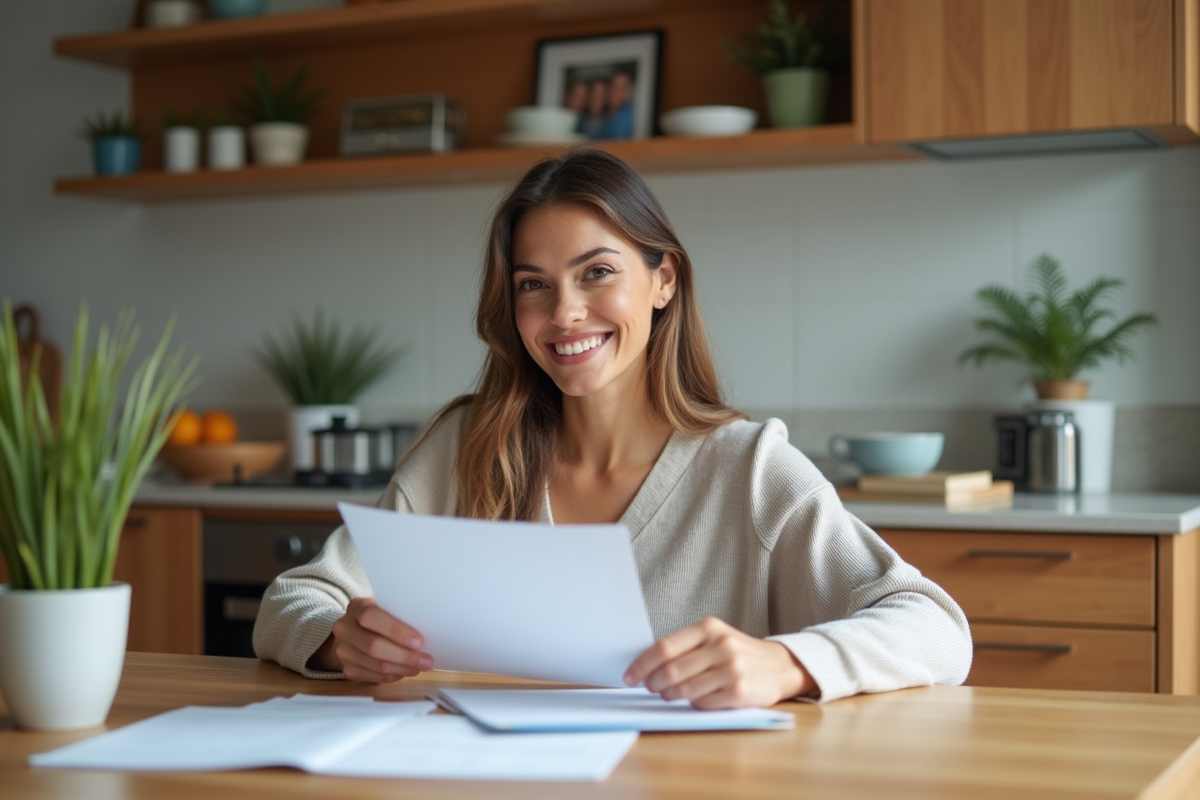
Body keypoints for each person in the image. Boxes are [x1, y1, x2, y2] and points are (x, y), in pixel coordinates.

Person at [254, 148, 972, 708]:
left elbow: (936, 628)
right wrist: (333, 643)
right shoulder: (466, 451)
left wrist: (784, 664)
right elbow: (294, 600)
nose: (564, 312)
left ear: (663, 282)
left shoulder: (748, 469)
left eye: (596, 272)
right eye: (533, 284)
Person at [601, 69, 635, 139]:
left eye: (623, 87)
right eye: (615, 85)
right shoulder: (603, 112)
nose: (618, 91)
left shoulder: (631, 113)